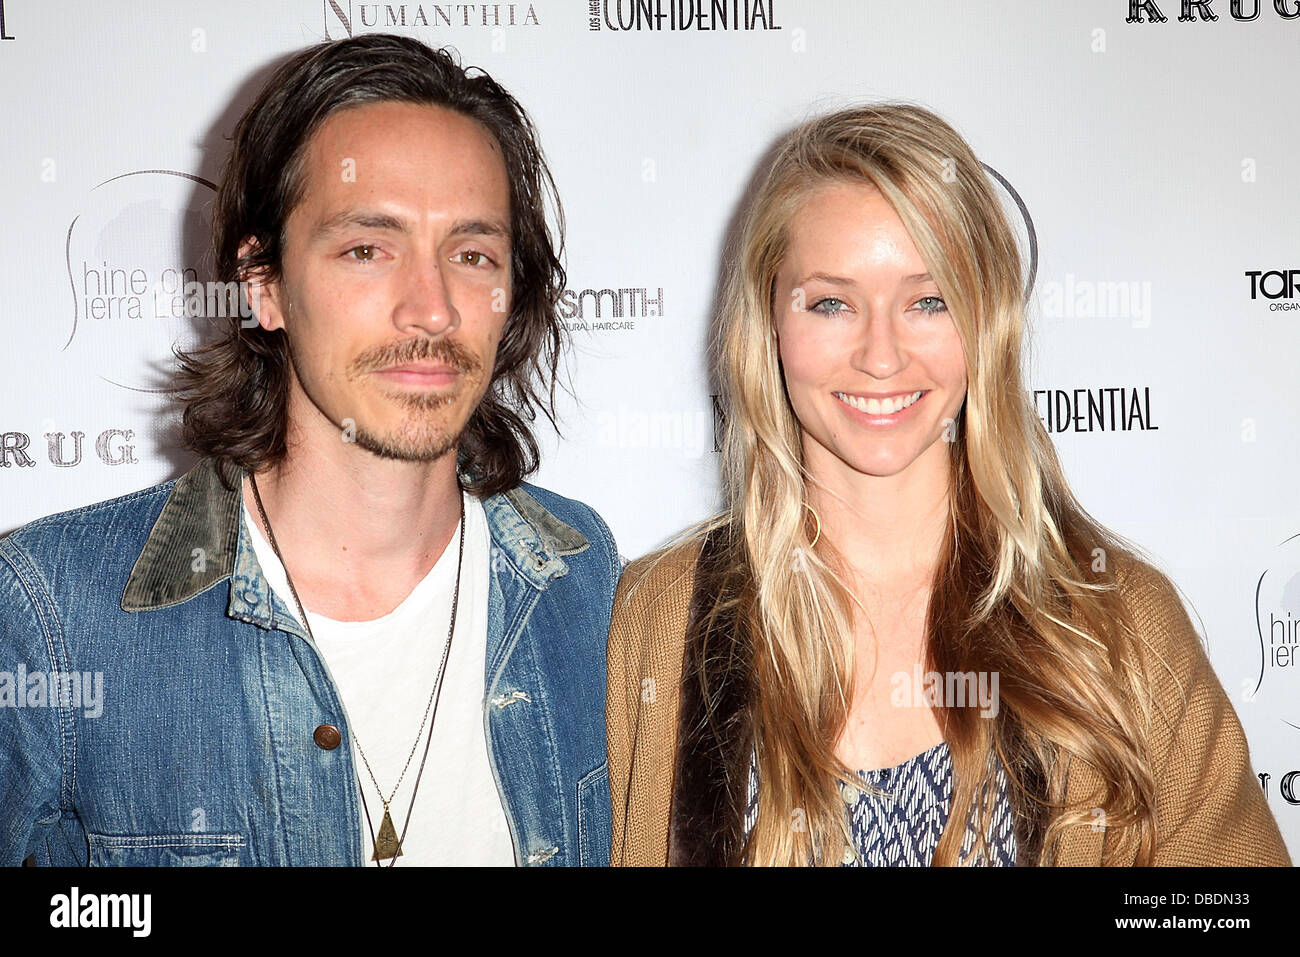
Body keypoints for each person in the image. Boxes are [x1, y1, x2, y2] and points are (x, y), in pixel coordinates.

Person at [606, 103, 1290, 866]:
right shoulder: (660, 616)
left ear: (984, 319)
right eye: (832, 302)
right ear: (768, 320)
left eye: (927, 301)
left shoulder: (1117, 625)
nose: (882, 354)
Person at [0, 34, 618, 866]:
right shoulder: (56, 614)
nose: (431, 309)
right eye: (368, 249)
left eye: (472, 255)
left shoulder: (585, 581)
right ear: (263, 284)